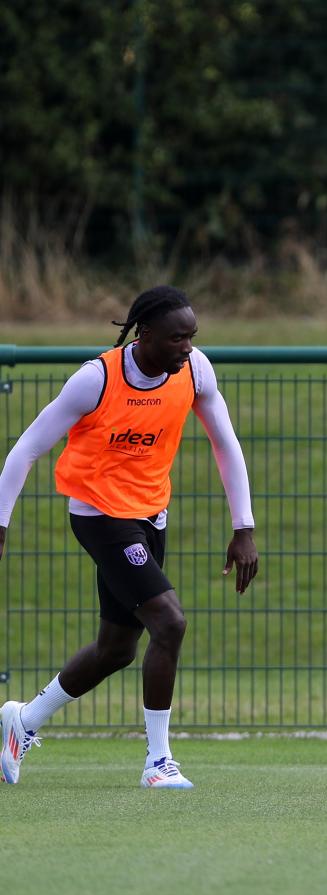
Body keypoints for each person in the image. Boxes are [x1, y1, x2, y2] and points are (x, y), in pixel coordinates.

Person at [0, 286, 258, 789]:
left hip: (149, 515)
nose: (187, 347)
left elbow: (226, 444)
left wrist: (243, 527)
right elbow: (25, 450)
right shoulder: (95, 379)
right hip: (98, 514)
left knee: (116, 649)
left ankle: (23, 720)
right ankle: (158, 762)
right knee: (170, 622)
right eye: (176, 338)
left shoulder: (196, 369)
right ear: (144, 335)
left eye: (192, 337)